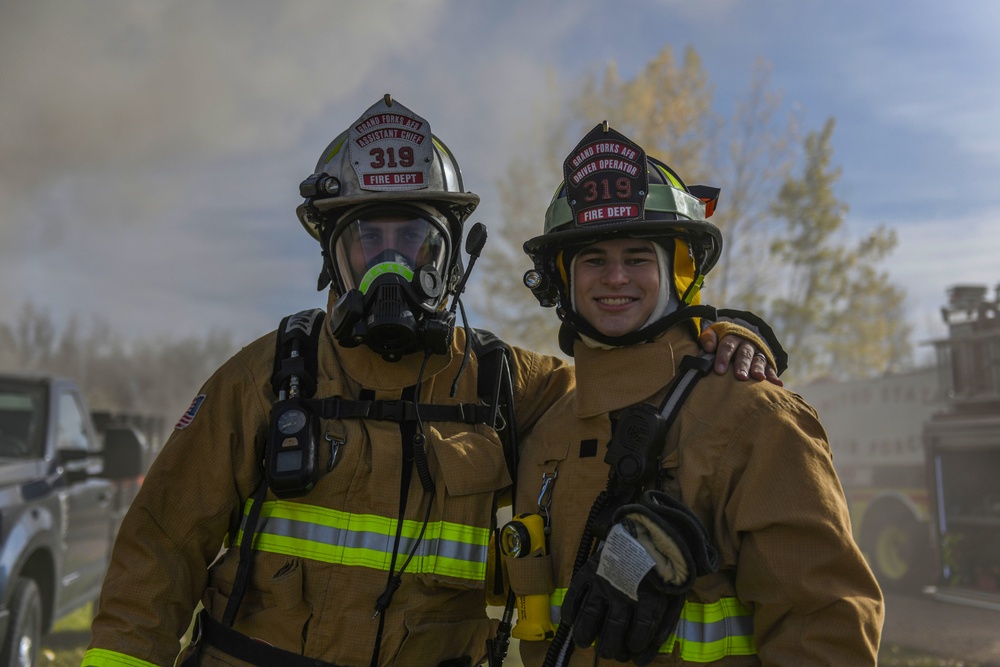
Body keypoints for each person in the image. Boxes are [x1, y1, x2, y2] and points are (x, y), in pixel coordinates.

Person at [81, 97, 776, 667]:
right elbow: (158, 549)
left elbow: (624, 379)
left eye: (413, 244)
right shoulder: (265, 376)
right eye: (368, 245)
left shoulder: (509, 384)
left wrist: (714, 337)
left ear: (450, 252)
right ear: (335, 257)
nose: (392, 268)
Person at [512, 123, 884, 666]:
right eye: (593, 259)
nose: (615, 277)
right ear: (562, 280)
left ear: (679, 273)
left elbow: (824, 626)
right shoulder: (550, 422)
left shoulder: (755, 417)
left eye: (638, 257)